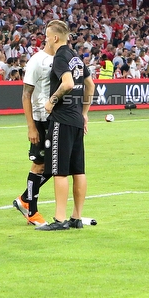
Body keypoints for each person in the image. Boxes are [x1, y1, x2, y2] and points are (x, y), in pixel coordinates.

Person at [35, 20, 95, 231]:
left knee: (59, 171)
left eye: (46, 36)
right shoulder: (76, 57)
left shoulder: (60, 57)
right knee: (78, 170)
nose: (45, 40)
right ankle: (76, 217)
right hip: (77, 119)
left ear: (55, 37)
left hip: (62, 119)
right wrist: (84, 113)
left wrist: (51, 102)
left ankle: (59, 220)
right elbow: (90, 84)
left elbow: (68, 83)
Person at [13, 35, 53, 227]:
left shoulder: (60, 59)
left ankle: (24, 199)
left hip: (53, 119)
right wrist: (31, 126)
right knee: (39, 165)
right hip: (40, 120)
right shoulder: (37, 60)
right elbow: (26, 94)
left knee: (54, 167)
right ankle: (32, 212)